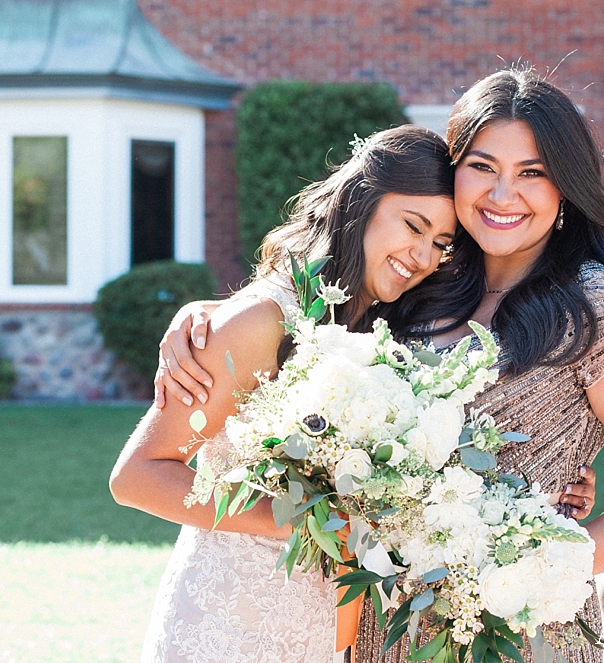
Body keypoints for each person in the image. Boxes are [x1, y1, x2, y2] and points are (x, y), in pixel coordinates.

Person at [152, 67, 604, 663]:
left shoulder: (600, 307)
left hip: (509, 633)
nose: (502, 195)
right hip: (373, 628)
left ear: (566, 185)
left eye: (533, 173)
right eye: (482, 167)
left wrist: (536, 564)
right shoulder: (427, 279)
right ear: (454, 170)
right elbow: (314, 329)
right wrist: (211, 313)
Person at [110, 125, 462, 663]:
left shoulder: (381, 337)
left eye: (440, 244)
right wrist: (300, 519)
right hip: (227, 629)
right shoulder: (261, 320)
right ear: (365, 202)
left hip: (321, 634)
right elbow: (137, 476)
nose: (421, 254)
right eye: (413, 226)